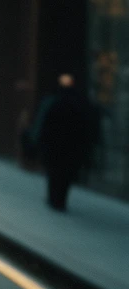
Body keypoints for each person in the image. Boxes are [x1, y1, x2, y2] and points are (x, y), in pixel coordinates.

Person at [30, 72, 102, 212]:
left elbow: (43, 125)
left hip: (56, 146)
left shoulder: (54, 101)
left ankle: (55, 199)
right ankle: (59, 200)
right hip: (70, 147)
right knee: (64, 175)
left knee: (55, 173)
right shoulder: (79, 103)